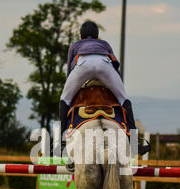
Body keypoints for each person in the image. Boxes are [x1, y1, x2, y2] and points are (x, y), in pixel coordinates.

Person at [59, 20, 150, 156]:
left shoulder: (75, 45)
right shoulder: (104, 44)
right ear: (97, 36)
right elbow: (115, 64)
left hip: (82, 64)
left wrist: (71, 87)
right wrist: (117, 84)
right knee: (124, 100)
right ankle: (134, 144)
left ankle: (61, 143)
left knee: (64, 99)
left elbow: (69, 69)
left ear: (81, 36)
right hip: (104, 64)